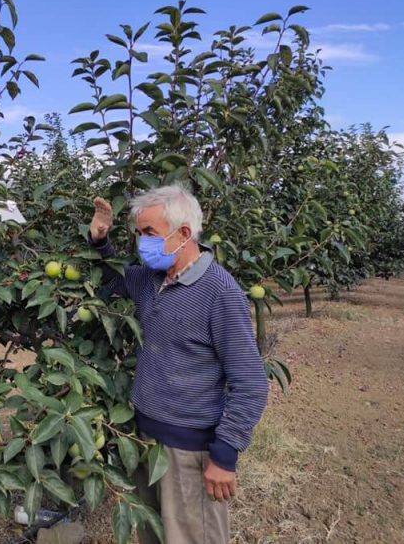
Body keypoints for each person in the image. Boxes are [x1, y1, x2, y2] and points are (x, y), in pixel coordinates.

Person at [88, 184, 268, 544]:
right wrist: (100, 240)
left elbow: (250, 382)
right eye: (139, 234)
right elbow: (111, 277)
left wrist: (225, 453)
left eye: (149, 233)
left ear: (183, 233)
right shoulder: (150, 280)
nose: (142, 243)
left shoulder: (220, 293)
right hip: (142, 440)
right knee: (152, 534)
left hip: (188, 451)